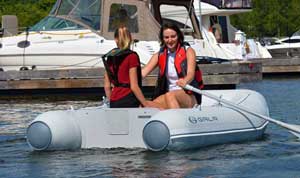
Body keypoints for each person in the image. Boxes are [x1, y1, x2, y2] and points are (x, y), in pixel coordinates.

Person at [142, 23, 204, 109]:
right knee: (144, 105)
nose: (170, 40)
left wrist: (185, 81)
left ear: (178, 36)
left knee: (170, 96)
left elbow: (190, 74)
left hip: (189, 95)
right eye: (166, 37)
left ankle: (178, 121)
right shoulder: (159, 55)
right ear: (162, 39)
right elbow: (142, 73)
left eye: (173, 36)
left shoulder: (188, 51)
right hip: (169, 95)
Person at [102, 26, 160, 108]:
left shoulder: (110, 57)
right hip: (128, 98)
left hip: (114, 99)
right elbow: (134, 86)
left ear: (115, 39)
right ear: (130, 38)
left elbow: (107, 86)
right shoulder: (132, 56)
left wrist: (111, 100)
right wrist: (145, 104)